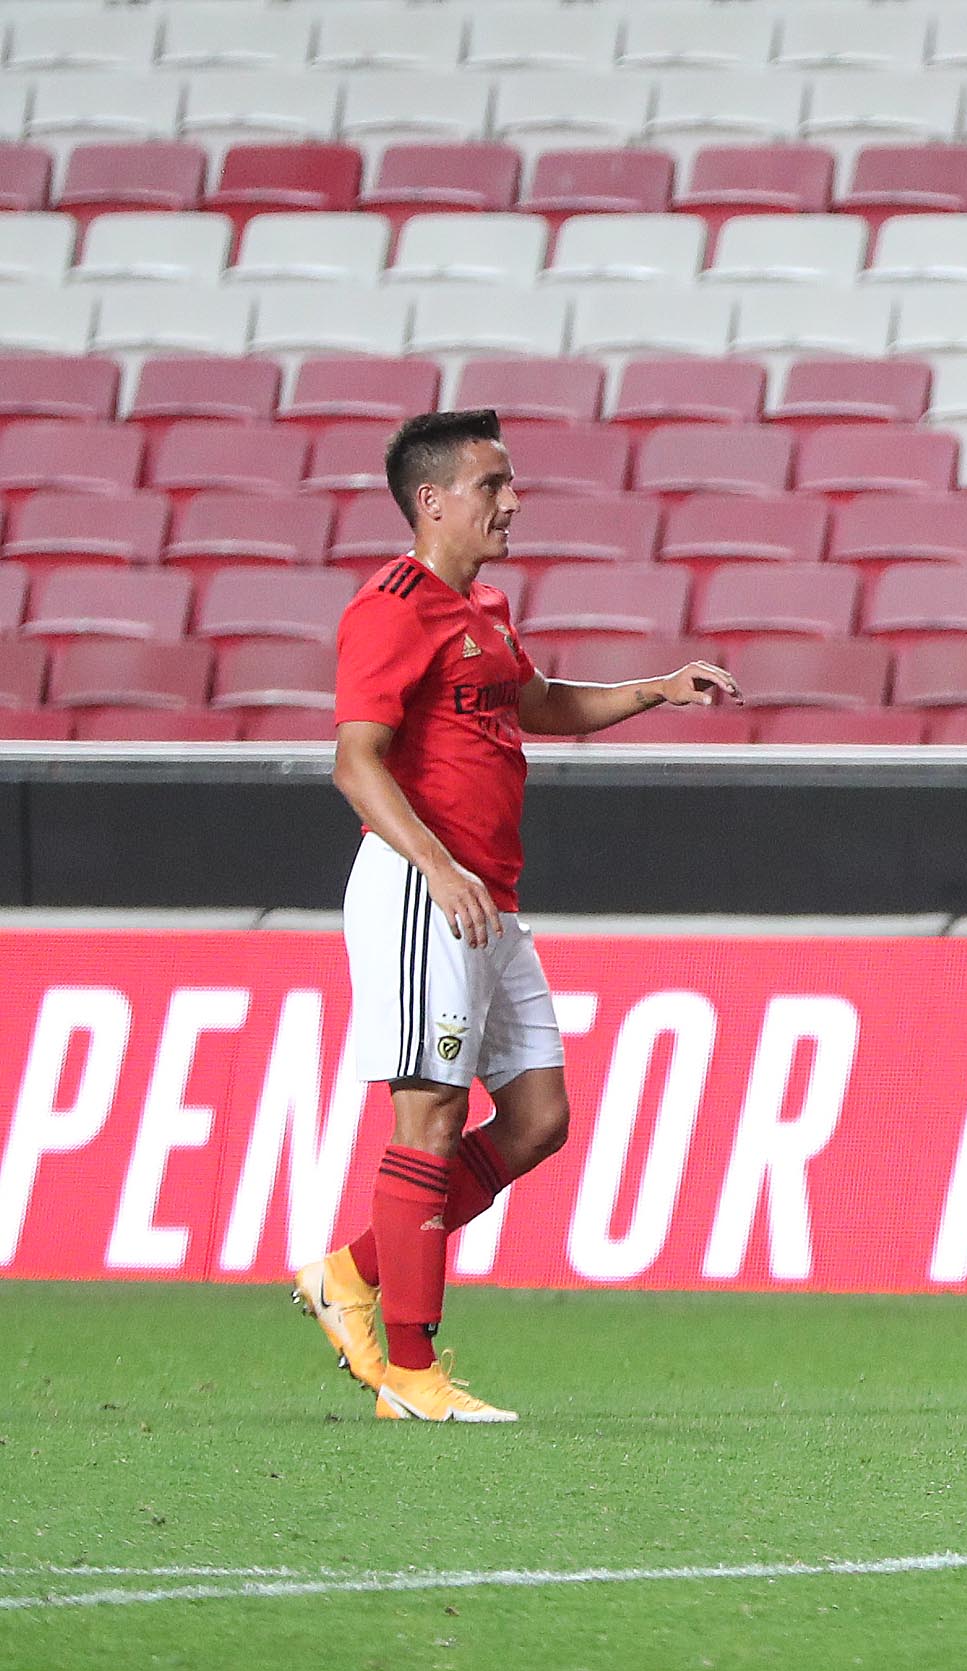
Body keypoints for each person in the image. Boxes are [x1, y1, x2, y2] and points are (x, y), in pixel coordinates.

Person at [293, 409, 739, 1422]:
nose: (512, 502)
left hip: (485, 895)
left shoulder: (483, 606)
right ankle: (411, 1374)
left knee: (539, 1120)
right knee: (431, 1116)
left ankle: (349, 1274)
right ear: (432, 500)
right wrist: (437, 867)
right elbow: (355, 762)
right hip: (425, 890)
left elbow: (534, 702)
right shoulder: (390, 607)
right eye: (491, 485)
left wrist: (657, 689)